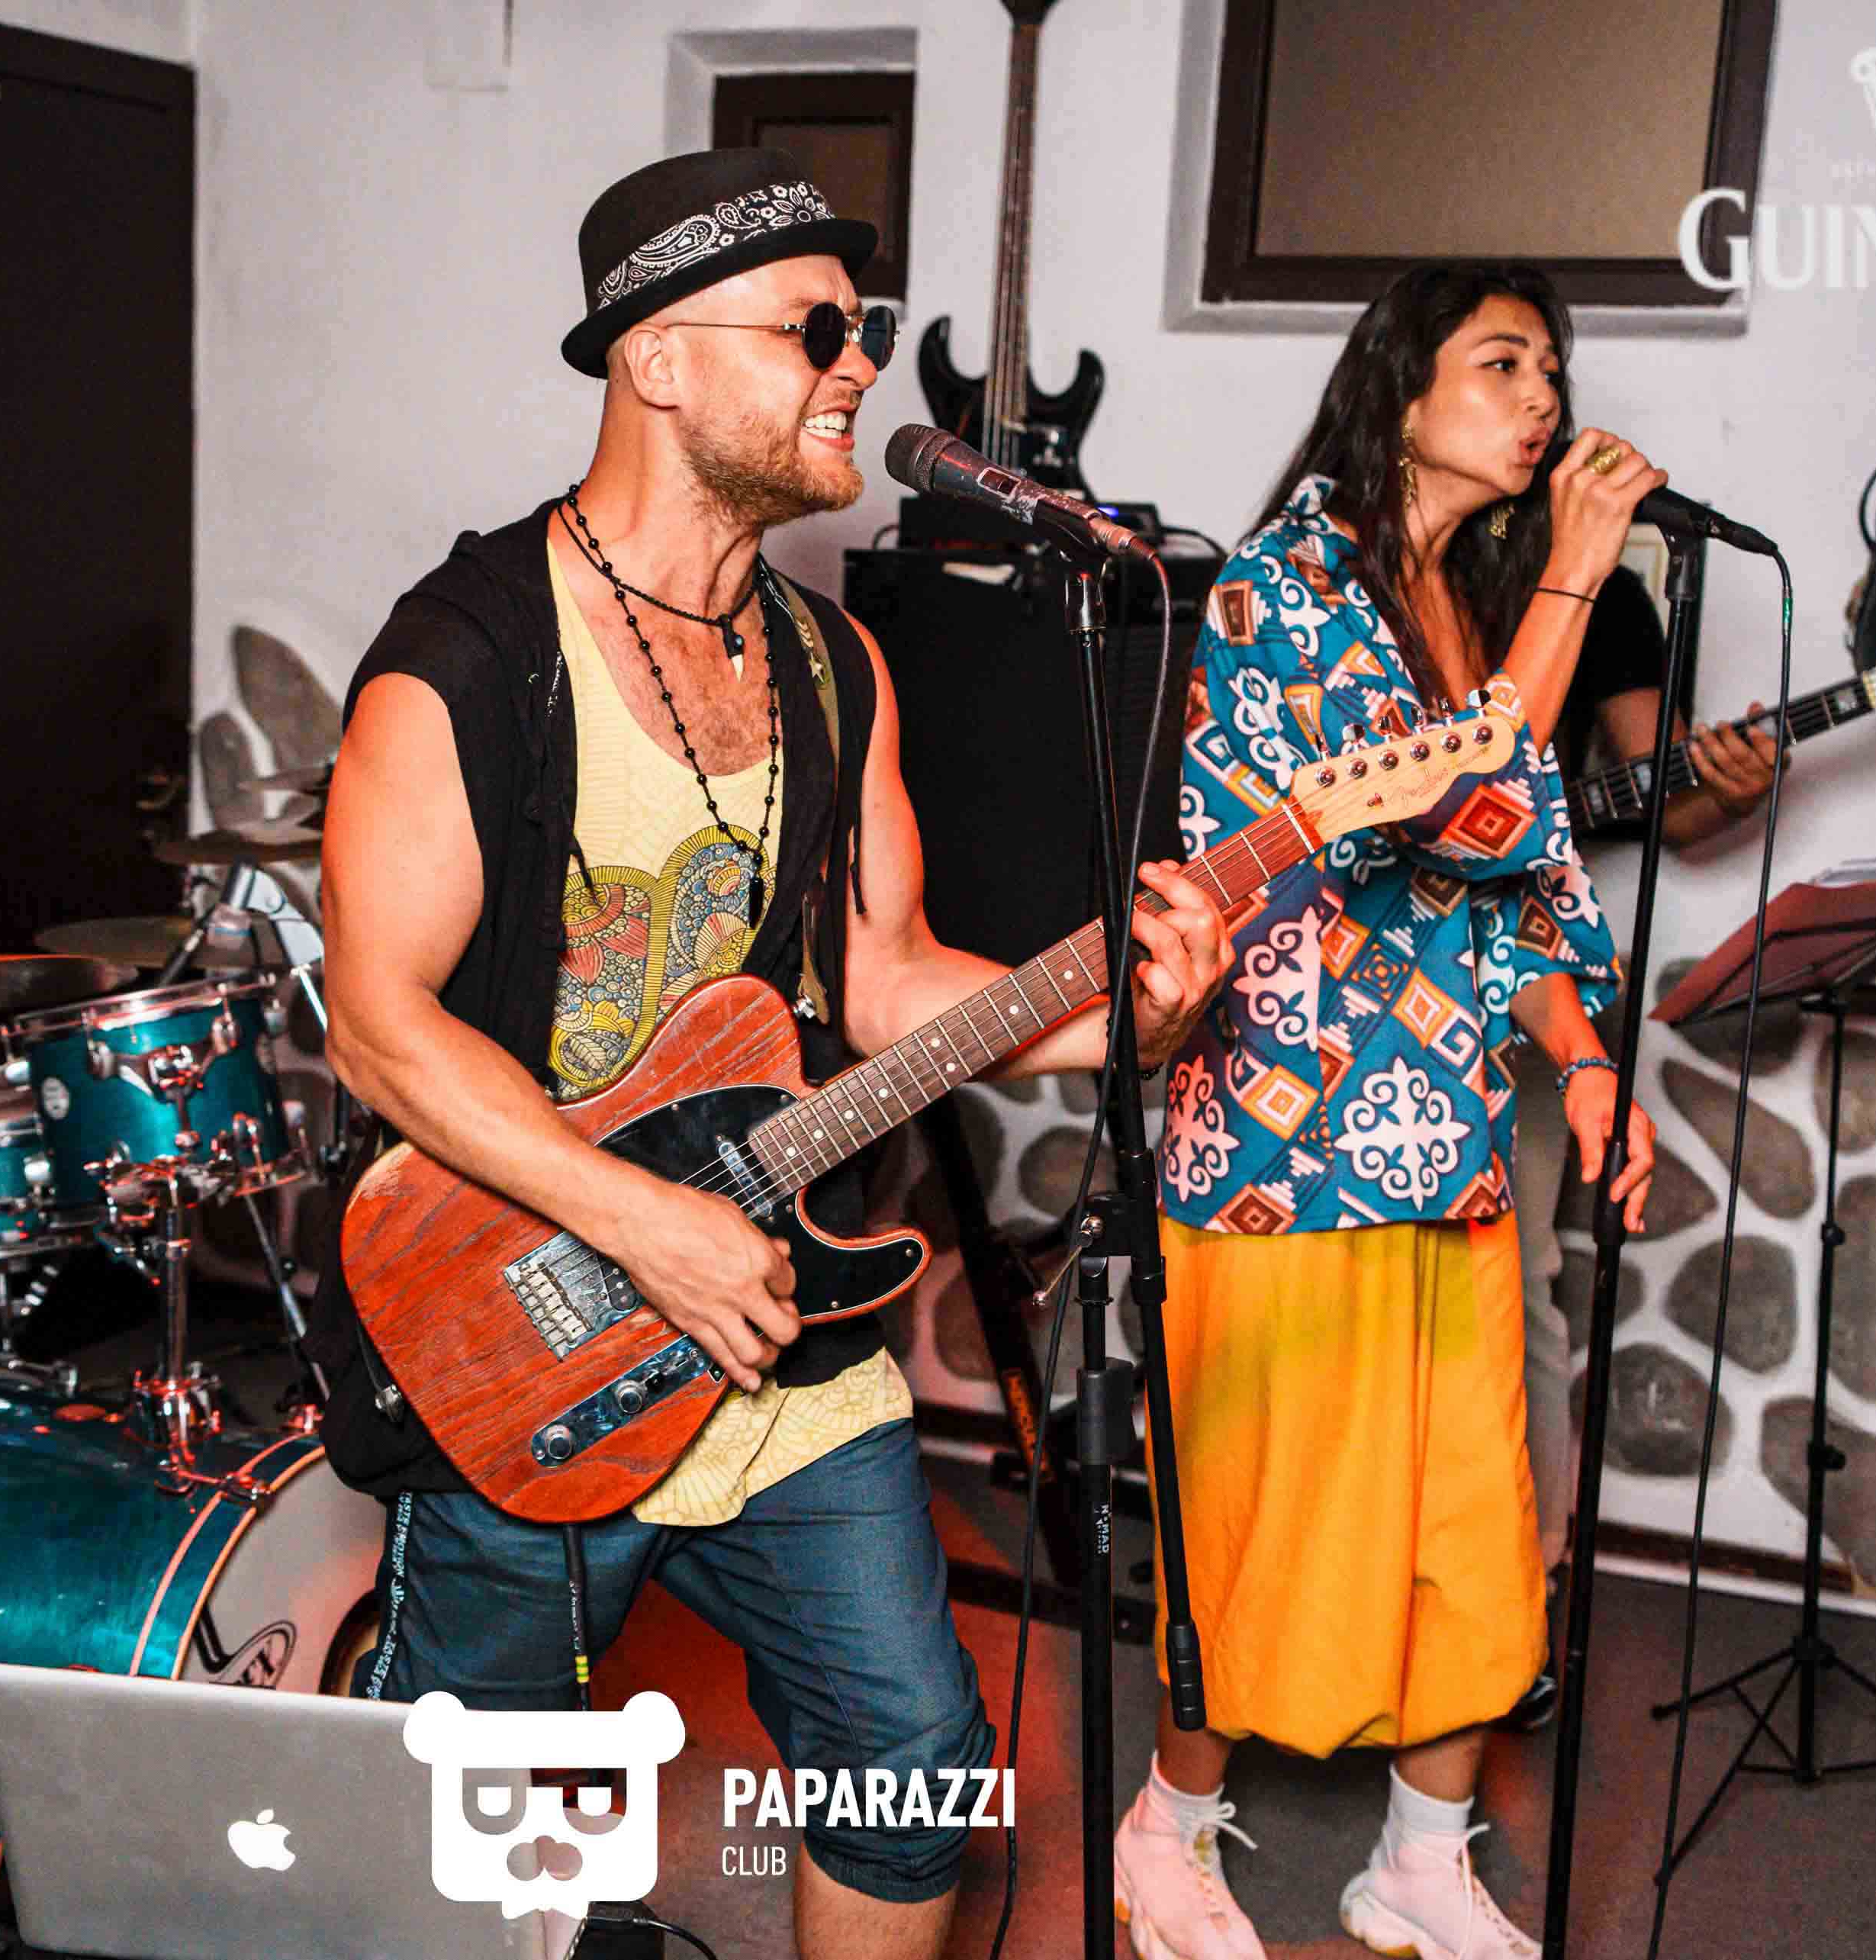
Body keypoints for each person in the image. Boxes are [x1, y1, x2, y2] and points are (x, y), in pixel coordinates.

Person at [309, 147, 1231, 1960]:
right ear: (656, 360)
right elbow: (376, 1023)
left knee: (911, 1766)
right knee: (488, 1827)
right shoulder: (466, 660)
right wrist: (638, 1224)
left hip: (781, 1327)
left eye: (861, 330)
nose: (857, 366)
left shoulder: (831, 662)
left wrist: (1125, 1021)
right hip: (523, 1328)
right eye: (816, 330)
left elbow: (885, 979)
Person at [1113, 265, 1661, 1960]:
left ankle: (1418, 1860)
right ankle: (1160, 1833)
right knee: (1266, 1523)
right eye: (1501, 362)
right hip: (1284, 1145)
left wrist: (1583, 1057)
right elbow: (1465, 806)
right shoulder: (1283, 587)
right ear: (1398, 390)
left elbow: (1519, 884)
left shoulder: (1468, 609)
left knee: (1465, 1532)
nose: (1542, 395)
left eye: (1552, 367)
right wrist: (1577, 572)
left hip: (1446, 1135)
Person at [1512, 565, 1782, 1585]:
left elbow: (1668, 803)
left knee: (1513, 1274)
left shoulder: (1607, 594)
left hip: (1522, 962)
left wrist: (1731, 788)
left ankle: (1526, 1573)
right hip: (1340, 969)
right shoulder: (1356, 562)